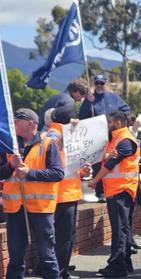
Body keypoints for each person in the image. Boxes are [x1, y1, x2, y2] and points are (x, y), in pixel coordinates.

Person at [0, 108, 64, 279]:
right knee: (15, 259)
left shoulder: (48, 144)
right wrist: (11, 167)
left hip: (41, 210)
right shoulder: (8, 145)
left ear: (30, 123)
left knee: (47, 257)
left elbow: (57, 174)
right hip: (15, 210)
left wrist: (29, 173)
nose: (12, 124)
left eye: (16, 120)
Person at [87, 111, 139, 277]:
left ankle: (117, 266)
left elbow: (109, 165)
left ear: (117, 122)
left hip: (121, 190)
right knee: (123, 229)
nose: (107, 125)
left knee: (120, 231)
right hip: (118, 190)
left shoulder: (124, 140)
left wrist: (94, 181)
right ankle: (125, 263)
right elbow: (107, 159)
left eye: (109, 122)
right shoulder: (117, 139)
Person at [44, 105, 83, 279]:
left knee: (64, 235)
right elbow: (53, 154)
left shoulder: (56, 133)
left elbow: (68, 163)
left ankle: (61, 270)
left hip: (67, 192)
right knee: (63, 236)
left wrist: (82, 172)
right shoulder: (55, 134)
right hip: (63, 193)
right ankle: (60, 272)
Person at [79, 74, 131, 203]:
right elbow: (81, 116)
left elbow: (127, 110)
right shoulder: (90, 99)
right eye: (97, 83)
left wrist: (119, 119)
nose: (99, 86)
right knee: (98, 164)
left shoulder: (113, 97)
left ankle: (116, 190)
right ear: (94, 84)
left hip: (114, 135)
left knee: (114, 162)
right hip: (97, 137)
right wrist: (88, 101)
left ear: (106, 84)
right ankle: (100, 192)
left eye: (102, 83)